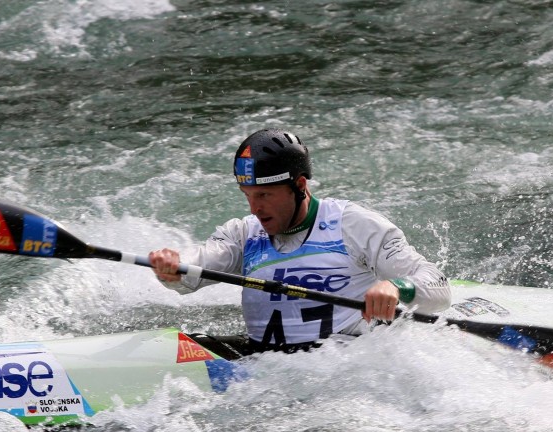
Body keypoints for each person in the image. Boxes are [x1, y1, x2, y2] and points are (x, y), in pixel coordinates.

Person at [149, 128, 451, 353]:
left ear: (299, 185)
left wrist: (395, 287)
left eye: (265, 195)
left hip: (345, 366)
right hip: (266, 367)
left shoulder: (354, 224)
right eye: (248, 196)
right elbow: (196, 267)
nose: (255, 208)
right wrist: (174, 265)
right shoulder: (243, 233)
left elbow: (438, 285)